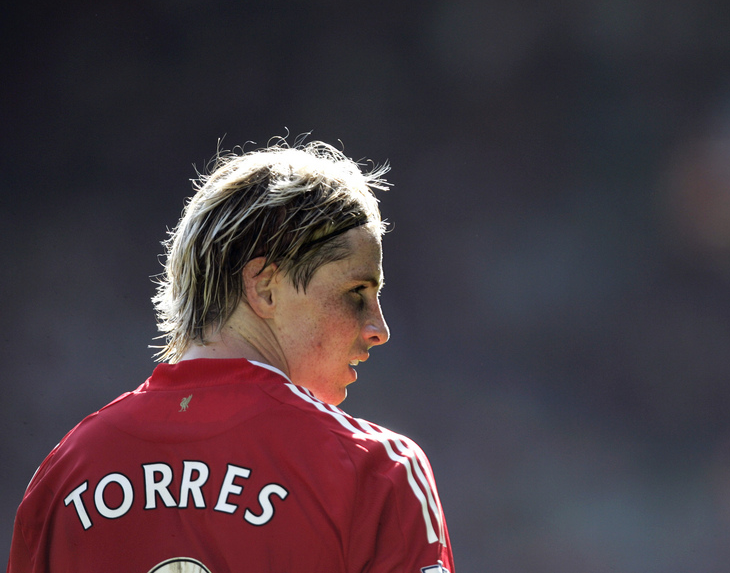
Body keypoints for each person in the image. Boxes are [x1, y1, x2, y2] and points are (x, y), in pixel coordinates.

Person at [7, 140, 454, 573]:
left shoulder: (65, 474)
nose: (379, 329)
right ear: (264, 287)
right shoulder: (377, 469)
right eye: (356, 292)